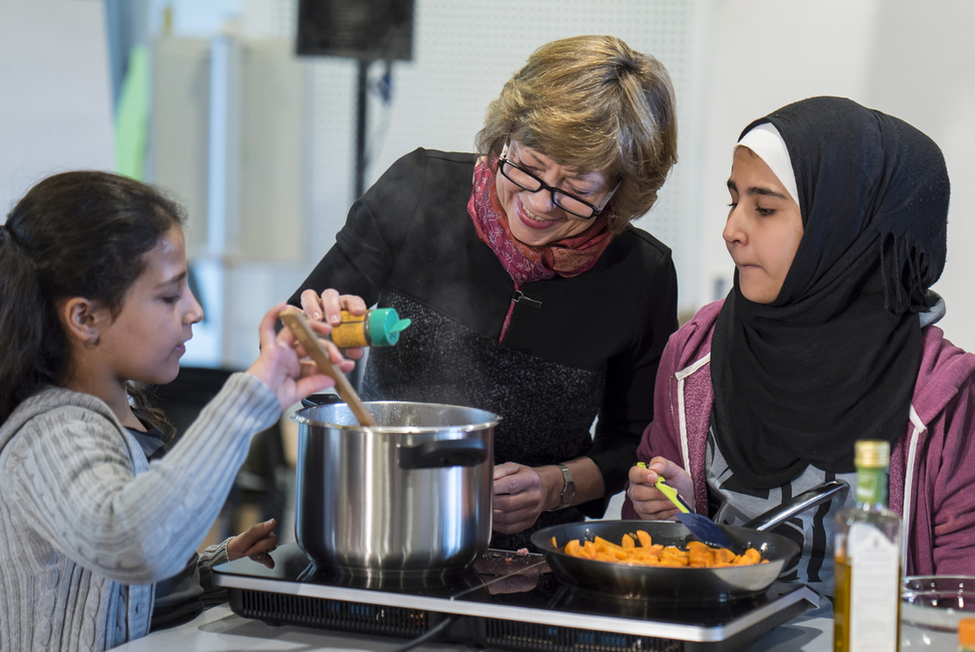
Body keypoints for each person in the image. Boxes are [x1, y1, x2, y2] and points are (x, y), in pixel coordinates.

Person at [290, 35, 680, 549]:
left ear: (617, 192)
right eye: (529, 167)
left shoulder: (639, 273)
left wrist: (551, 487)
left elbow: (631, 446)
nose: (540, 204)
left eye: (577, 191)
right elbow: (292, 332)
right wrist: (313, 333)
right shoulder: (421, 189)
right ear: (506, 137)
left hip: (533, 555)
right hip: (378, 524)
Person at [624, 96, 975, 608]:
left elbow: (961, 598)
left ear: (845, 228)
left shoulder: (940, 396)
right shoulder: (693, 359)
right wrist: (670, 507)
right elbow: (646, 554)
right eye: (734, 201)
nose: (732, 230)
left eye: (764, 208)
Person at [0, 171, 353, 650]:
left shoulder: (118, 411)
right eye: (169, 296)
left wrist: (206, 567)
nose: (194, 311)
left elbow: (117, 578)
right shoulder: (51, 434)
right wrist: (248, 397)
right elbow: (134, 545)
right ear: (85, 318)